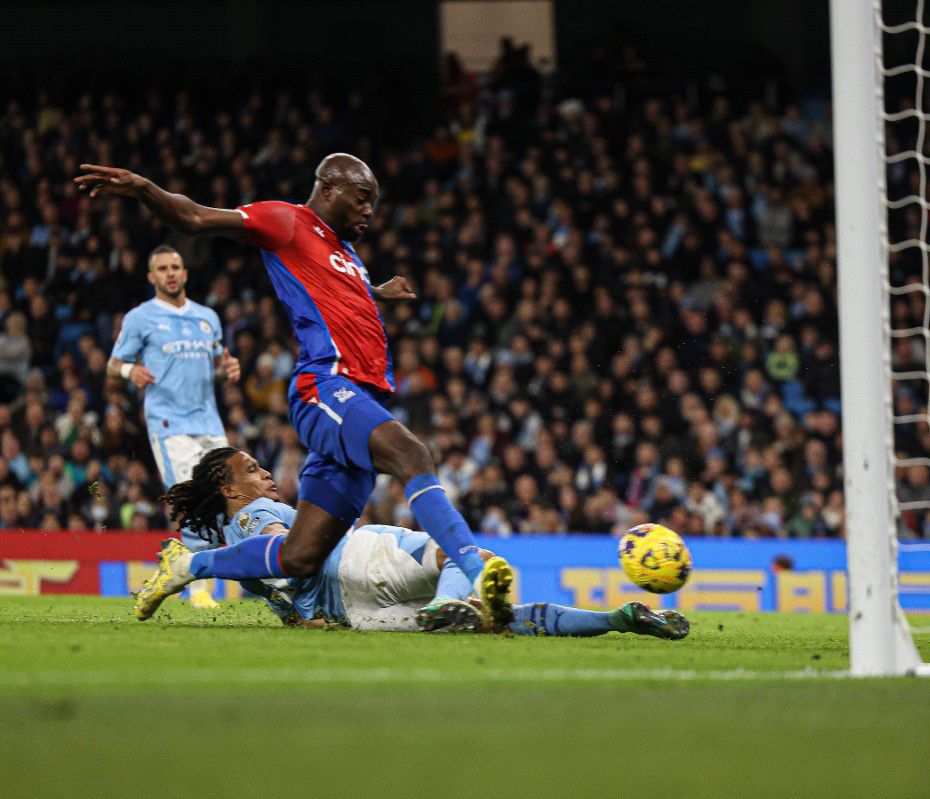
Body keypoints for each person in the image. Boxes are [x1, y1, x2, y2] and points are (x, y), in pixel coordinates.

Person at [76, 155, 509, 624]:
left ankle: (187, 565)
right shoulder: (285, 221)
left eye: (373, 204)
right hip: (325, 388)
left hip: (357, 402)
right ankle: (473, 569)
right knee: (413, 456)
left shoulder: (346, 255)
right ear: (328, 189)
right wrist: (144, 188)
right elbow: (196, 217)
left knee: (300, 556)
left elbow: (333, 291)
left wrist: (374, 290)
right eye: (361, 199)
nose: (369, 212)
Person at [160, 447, 689, 640]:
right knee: (464, 557)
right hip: (359, 558)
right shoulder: (258, 516)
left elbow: (281, 591)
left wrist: (300, 618)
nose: (267, 475)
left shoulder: (241, 548)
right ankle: (446, 602)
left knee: (500, 620)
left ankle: (620, 619)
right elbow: (280, 546)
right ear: (229, 490)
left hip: (356, 616)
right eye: (252, 470)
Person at [108, 244, 240, 609]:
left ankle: (188, 572)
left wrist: (228, 368)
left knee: (225, 497)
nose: (170, 273)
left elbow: (217, 359)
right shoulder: (140, 318)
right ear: (152, 277)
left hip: (209, 422)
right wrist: (129, 370)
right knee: (191, 496)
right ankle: (198, 589)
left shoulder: (207, 317)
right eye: (163, 268)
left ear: (185, 273)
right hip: (169, 424)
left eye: (176, 266)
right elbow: (112, 364)